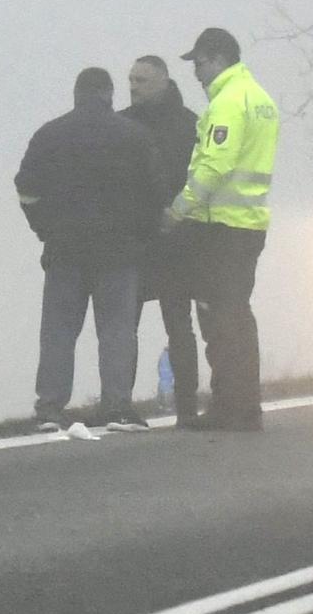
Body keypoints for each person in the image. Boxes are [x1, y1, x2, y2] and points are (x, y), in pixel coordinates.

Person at [14, 66, 166, 428]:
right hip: (118, 251)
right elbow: (156, 194)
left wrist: (43, 228)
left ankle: (49, 409)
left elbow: (26, 189)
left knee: (59, 333)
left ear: (76, 94)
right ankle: (115, 406)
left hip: (64, 249)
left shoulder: (49, 135)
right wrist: (141, 235)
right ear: (109, 94)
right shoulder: (134, 136)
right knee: (116, 331)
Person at [169, 27, 279, 431]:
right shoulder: (260, 98)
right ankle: (245, 404)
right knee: (238, 316)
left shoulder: (228, 102)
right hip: (248, 224)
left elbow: (215, 165)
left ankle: (228, 406)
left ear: (217, 59)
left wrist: (179, 210)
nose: (196, 74)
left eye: (199, 64)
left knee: (219, 319)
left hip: (220, 228)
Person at [123, 54, 202, 423]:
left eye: (142, 81)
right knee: (125, 326)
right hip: (134, 240)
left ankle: (187, 406)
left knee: (179, 325)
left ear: (164, 81)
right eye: (131, 81)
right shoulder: (120, 125)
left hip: (176, 239)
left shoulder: (191, 126)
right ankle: (120, 407)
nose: (134, 87)